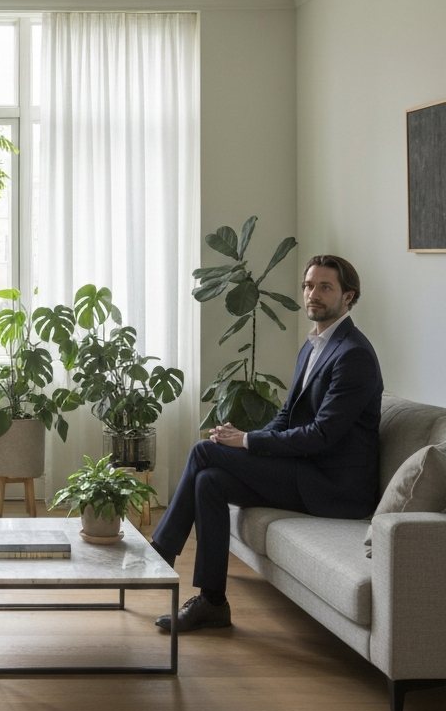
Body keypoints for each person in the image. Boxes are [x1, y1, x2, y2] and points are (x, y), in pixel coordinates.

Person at [150, 255, 382, 633]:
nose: (313, 295)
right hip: (307, 472)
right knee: (209, 480)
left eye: (325, 287)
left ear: (348, 296)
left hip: (335, 488)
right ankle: (212, 602)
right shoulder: (314, 345)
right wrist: (241, 438)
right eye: (309, 286)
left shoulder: (353, 354)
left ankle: (159, 554)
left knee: (204, 451)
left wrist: (248, 441)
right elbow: (288, 415)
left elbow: (322, 436)